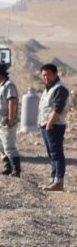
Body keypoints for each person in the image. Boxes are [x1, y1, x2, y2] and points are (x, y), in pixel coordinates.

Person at [38, 63, 70, 191]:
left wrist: (50, 124)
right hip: (46, 125)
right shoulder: (48, 89)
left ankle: (58, 182)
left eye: (48, 74)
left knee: (57, 154)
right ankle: (53, 179)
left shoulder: (59, 88)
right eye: (43, 75)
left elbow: (58, 108)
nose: (45, 77)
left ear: (55, 74)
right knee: (51, 154)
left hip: (54, 125)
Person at [0, 63, 21, 176]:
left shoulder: (9, 86)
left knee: (9, 147)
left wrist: (11, 119)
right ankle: (8, 167)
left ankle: (16, 170)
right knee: (0, 147)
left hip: (6, 124)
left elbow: (12, 102)